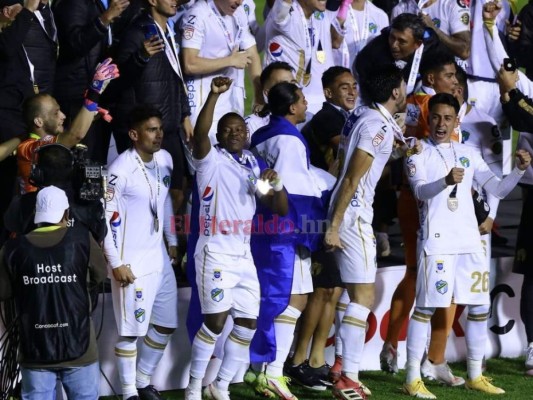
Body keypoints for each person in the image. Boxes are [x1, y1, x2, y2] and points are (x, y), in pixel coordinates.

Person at [403, 93, 531, 399]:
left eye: (448, 118)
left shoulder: (469, 153)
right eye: (436, 117)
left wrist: (519, 170)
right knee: (425, 308)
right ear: (428, 118)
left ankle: (475, 375)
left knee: (479, 307)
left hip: (471, 243)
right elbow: (420, 192)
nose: (441, 124)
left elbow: (497, 188)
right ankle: (411, 378)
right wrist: (445, 182)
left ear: (457, 121)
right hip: (438, 244)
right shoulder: (417, 154)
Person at [184, 76, 288, 400]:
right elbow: (199, 134)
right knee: (214, 323)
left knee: (246, 325)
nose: (234, 133)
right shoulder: (209, 162)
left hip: (243, 254)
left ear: (246, 135)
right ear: (219, 135)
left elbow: (279, 208)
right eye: (227, 130)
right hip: (214, 248)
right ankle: (192, 390)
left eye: (239, 130)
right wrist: (214, 96)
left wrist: (276, 183)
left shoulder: (253, 167)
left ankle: (221, 386)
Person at [324, 65, 410, 399]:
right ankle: (349, 377)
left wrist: (400, 151)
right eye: (402, 87)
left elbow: (346, 165)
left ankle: (340, 366)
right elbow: (351, 177)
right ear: (395, 93)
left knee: (350, 294)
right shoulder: (377, 126)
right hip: (354, 214)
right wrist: (334, 225)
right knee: (364, 297)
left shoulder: (363, 116)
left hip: (345, 210)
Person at [249, 81, 334, 400]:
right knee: (294, 298)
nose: (305, 104)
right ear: (293, 107)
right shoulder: (288, 140)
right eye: (301, 99)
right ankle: (272, 373)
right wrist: (307, 232)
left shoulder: (263, 136)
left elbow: (269, 184)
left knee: (274, 298)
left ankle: (259, 371)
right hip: (284, 229)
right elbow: (295, 192)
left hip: (262, 225)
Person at [285, 66, 356, 391]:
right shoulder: (330, 118)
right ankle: (298, 359)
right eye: (344, 87)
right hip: (318, 213)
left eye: (354, 86)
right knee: (322, 288)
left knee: (334, 288)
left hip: (331, 210)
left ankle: (316, 358)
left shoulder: (346, 117)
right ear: (327, 93)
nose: (352, 92)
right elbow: (348, 156)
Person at [0, 185, 107, 400]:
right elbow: (100, 276)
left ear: (37, 215)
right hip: (80, 347)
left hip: (34, 349)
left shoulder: (12, 249)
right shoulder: (83, 239)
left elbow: (4, 292)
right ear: (66, 214)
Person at [103, 105, 178, 400]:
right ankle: (128, 393)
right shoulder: (119, 170)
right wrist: (116, 262)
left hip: (159, 258)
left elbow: (165, 200)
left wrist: (171, 238)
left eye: (160, 128)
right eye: (151, 129)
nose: (158, 135)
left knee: (166, 323)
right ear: (134, 134)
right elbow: (104, 219)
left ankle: (143, 379)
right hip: (130, 261)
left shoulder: (166, 159)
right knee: (130, 331)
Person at [111, 0, 192, 213]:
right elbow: (117, 79)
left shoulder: (167, 31)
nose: (175, 1)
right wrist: (141, 56)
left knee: (177, 190)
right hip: (148, 128)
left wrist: (184, 114)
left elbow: (175, 76)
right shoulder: (136, 32)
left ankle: (170, 244)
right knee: (151, 195)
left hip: (170, 125)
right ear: (153, 1)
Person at [52, 0, 139, 163]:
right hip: (76, 94)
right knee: (80, 163)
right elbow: (75, 44)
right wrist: (104, 19)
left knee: (95, 165)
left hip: (97, 92)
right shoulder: (73, 3)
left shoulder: (98, 3)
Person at [16, 58, 119, 194]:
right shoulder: (28, 148)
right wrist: (94, 92)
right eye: (56, 113)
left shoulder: (50, 140)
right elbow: (74, 135)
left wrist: (89, 115)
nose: (63, 116)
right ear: (39, 122)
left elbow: (70, 133)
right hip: (34, 212)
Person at [180, 0, 263, 140]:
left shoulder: (239, 13)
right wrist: (230, 61)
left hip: (232, 103)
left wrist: (258, 95)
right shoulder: (198, 16)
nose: (239, 2)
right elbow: (189, 64)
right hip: (204, 108)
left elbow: (252, 53)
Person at [263, 0, 343, 114]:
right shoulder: (288, 15)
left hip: (299, 100)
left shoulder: (312, 18)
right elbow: (280, 12)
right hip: (282, 104)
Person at [355, 12, 442, 97]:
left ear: (417, 44)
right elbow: (363, 74)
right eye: (392, 37)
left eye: (402, 41)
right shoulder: (376, 50)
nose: (394, 45)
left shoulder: (432, 49)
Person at [333, 0, 389, 69]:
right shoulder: (334, 11)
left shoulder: (381, 16)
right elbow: (334, 42)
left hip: (366, 77)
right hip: (337, 75)